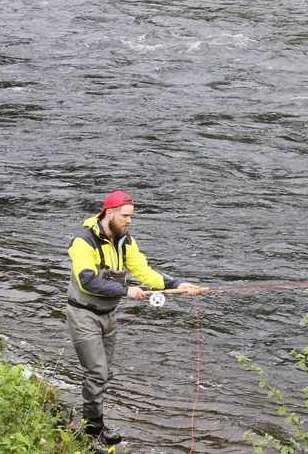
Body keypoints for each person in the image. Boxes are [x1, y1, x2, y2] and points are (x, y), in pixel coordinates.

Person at [66, 190, 207, 445]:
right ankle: (92, 428)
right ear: (109, 213)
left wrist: (177, 284)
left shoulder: (125, 241)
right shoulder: (83, 242)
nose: (129, 221)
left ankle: (91, 420)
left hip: (108, 315)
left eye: (131, 216)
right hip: (83, 314)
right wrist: (125, 290)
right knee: (97, 372)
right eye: (126, 216)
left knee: (104, 372)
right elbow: (86, 281)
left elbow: (144, 271)